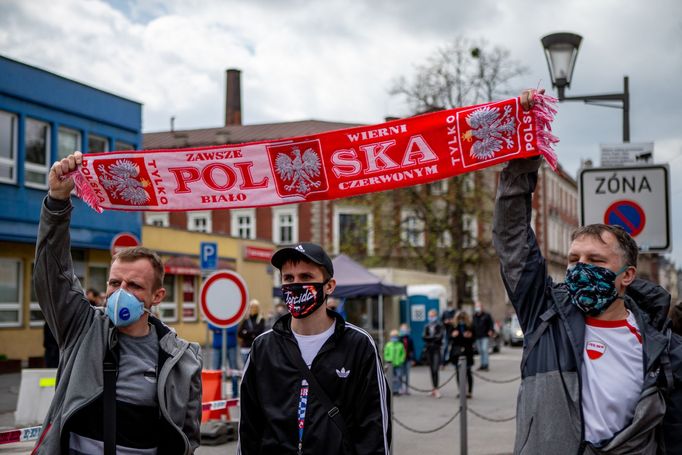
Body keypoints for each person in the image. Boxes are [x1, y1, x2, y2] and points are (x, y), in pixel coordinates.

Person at [493, 89, 682, 455]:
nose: (580, 268)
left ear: (627, 275)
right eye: (574, 259)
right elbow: (512, 238)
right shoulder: (543, 315)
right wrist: (522, 161)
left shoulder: (661, 345)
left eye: (596, 261)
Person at [31, 151, 202, 454]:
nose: (119, 292)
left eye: (134, 285)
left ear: (157, 296)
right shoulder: (82, 328)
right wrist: (57, 203)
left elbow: (186, 436)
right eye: (114, 282)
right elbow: (52, 274)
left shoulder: (182, 359)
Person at [238, 242, 391, 454]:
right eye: (288, 278)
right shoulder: (263, 347)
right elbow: (249, 428)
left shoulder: (359, 345)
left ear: (329, 286)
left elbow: (374, 429)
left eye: (306, 277)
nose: (295, 285)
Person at [209, 323, 240, 398]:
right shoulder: (215, 313)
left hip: (231, 346)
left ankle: (235, 394)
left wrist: (219, 329)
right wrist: (226, 327)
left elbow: (233, 328)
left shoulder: (232, 313)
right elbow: (210, 325)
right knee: (216, 371)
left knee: (233, 370)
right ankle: (216, 394)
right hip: (217, 346)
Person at [449, 311, 474, 398]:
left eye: (463, 319)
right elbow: (449, 337)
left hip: (467, 351)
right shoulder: (454, 326)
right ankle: (461, 391)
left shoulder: (470, 326)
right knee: (458, 373)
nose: (461, 321)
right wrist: (453, 335)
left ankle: (469, 391)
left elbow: (474, 337)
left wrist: (470, 336)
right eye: (459, 319)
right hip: (457, 352)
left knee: (468, 372)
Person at [422, 308, 444, 398]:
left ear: (436, 316)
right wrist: (432, 338)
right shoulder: (426, 326)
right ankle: (433, 388)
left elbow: (439, 337)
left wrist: (430, 338)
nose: (431, 317)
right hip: (429, 349)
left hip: (436, 349)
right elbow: (423, 336)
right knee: (431, 370)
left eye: (432, 316)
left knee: (435, 369)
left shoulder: (439, 325)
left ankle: (437, 389)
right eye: (430, 316)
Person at [237, 299, 265, 365]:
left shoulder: (261, 319)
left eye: (255, 307)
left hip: (256, 348)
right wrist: (251, 334)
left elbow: (259, 333)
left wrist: (246, 332)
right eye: (251, 307)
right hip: (245, 348)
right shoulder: (246, 320)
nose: (253, 309)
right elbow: (240, 333)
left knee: (255, 369)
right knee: (245, 368)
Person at [472, 302, 494, 371]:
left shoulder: (486, 315)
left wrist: (491, 330)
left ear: (481, 307)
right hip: (477, 336)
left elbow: (491, 324)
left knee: (484, 350)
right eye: (476, 307)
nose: (477, 308)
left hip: (485, 336)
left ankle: (486, 365)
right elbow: (472, 325)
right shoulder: (474, 316)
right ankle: (482, 364)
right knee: (480, 351)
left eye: (478, 306)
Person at [384, 329, 407, 396]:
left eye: (395, 336)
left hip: (398, 364)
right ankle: (392, 390)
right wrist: (388, 359)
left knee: (399, 377)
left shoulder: (400, 345)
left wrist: (401, 360)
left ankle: (397, 390)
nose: (394, 338)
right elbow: (386, 353)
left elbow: (403, 354)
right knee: (391, 377)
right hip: (390, 365)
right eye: (393, 336)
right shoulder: (388, 345)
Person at [398, 323, 415, 395]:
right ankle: (400, 388)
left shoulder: (410, 339)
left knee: (407, 375)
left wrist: (413, 359)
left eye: (405, 329)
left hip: (408, 359)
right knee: (400, 374)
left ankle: (407, 389)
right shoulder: (399, 339)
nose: (404, 330)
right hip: (400, 360)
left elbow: (412, 350)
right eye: (402, 329)